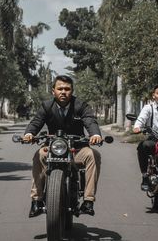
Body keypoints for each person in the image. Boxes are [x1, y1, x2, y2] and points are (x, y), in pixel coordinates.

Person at [23, 75, 102, 217]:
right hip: (53, 149)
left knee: (93, 155)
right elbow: (36, 122)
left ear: (72, 91)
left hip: (76, 149)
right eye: (60, 88)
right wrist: (29, 134)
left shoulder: (80, 105)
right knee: (39, 155)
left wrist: (95, 134)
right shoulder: (47, 106)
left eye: (67, 89)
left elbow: (90, 120)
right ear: (53, 91)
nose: (63, 92)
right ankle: (36, 200)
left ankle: (88, 201)